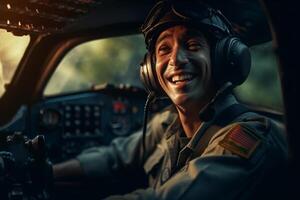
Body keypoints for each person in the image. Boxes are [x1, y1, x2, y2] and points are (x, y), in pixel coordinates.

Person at [53, 0, 288, 199]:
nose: (176, 59)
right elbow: (115, 157)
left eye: (193, 45)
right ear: (150, 71)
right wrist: (47, 172)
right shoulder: (168, 123)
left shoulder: (248, 137)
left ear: (221, 60)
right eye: (164, 49)